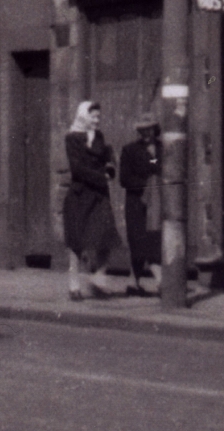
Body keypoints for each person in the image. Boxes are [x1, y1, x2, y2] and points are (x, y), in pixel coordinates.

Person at [61, 100, 121, 300]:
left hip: (99, 194)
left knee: (107, 235)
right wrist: (100, 177)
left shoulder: (99, 137)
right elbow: (77, 169)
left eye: (98, 117)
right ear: (84, 117)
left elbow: (106, 158)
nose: (97, 120)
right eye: (93, 116)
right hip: (80, 194)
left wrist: (110, 168)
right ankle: (73, 285)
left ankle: (98, 276)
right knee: (77, 241)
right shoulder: (72, 138)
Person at [119, 112, 163, 296]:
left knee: (151, 240)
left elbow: (161, 169)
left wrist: (153, 159)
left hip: (157, 202)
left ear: (155, 129)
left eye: (149, 129)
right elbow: (124, 179)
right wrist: (145, 183)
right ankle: (161, 280)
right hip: (137, 202)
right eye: (142, 130)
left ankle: (133, 282)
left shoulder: (163, 147)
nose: (146, 133)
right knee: (138, 241)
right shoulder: (130, 150)